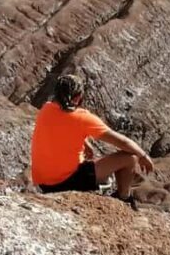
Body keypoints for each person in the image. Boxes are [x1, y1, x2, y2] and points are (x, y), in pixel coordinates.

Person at [30, 74, 154, 209]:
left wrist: (85, 143)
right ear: (78, 98)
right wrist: (143, 156)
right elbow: (122, 142)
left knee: (93, 162)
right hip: (66, 182)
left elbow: (61, 129)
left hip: (43, 183)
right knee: (130, 158)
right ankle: (124, 198)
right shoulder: (82, 118)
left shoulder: (46, 109)